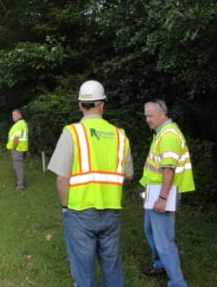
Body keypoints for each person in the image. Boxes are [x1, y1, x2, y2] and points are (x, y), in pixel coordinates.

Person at [47, 80, 133, 287]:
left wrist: (64, 206)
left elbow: (61, 178)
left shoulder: (72, 132)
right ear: (102, 104)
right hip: (111, 210)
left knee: (84, 271)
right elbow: (128, 175)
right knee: (111, 266)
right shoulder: (120, 135)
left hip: (80, 212)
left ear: (80, 105)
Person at [140, 99, 195, 287]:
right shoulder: (161, 133)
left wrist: (163, 198)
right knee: (150, 231)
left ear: (162, 114)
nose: (147, 120)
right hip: (153, 192)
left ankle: (178, 283)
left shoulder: (169, 135)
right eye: (146, 116)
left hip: (162, 194)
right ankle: (160, 265)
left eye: (150, 116)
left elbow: (169, 169)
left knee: (164, 241)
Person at [6, 109, 29, 191]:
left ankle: (20, 186)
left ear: (20, 115)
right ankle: (22, 183)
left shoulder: (19, 124)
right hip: (22, 148)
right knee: (20, 166)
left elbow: (16, 137)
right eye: (12, 115)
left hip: (18, 149)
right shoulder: (23, 123)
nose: (13, 117)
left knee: (18, 167)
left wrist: (14, 148)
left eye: (15, 115)